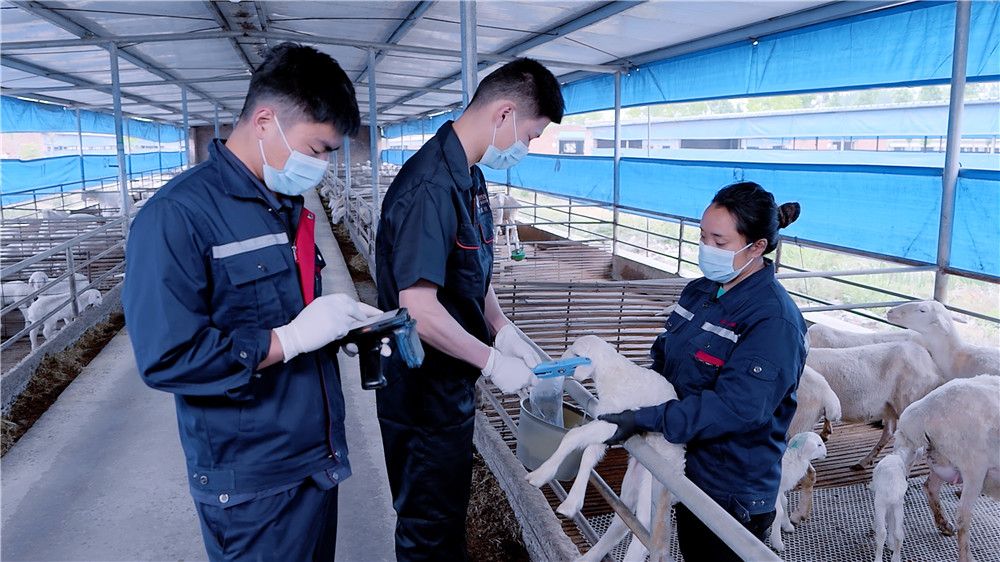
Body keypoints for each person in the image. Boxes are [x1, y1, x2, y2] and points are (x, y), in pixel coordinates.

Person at [122, 43, 381, 561]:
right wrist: (291, 338)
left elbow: (283, 311)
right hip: (251, 484)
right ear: (265, 122)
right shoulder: (176, 216)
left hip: (314, 461)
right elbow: (166, 357)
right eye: (317, 149)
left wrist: (337, 327)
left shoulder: (283, 205)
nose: (322, 165)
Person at [374, 58, 564, 561]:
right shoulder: (431, 187)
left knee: (448, 514)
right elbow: (417, 308)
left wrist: (500, 326)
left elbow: (470, 269)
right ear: (504, 114)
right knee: (429, 527)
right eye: (531, 134)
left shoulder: (470, 178)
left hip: (449, 385)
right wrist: (492, 361)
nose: (527, 147)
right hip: (421, 391)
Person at [598, 181, 807, 562]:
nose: (706, 248)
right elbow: (665, 358)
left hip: (731, 490)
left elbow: (736, 408)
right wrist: (634, 395)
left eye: (719, 241)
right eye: (702, 236)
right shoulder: (700, 292)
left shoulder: (774, 321)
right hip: (686, 467)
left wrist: (647, 418)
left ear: (756, 247)